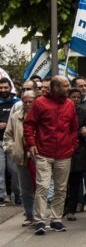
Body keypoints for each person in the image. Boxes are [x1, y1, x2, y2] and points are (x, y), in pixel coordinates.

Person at [23, 75, 79, 235]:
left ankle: (56, 219)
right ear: (55, 88)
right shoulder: (39, 103)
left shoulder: (69, 104)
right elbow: (29, 124)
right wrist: (32, 144)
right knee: (42, 186)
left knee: (61, 188)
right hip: (43, 152)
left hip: (64, 153)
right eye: (65, 85)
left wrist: (72, 144)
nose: (68, 88)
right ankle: (40, 220)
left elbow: (74, 127)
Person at [3, 90, 36, 226]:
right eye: (25, 101)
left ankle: (40, 215)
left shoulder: (42, 115)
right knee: (25, 189)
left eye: (30, 101)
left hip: (39, 157)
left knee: (41, 187)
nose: (28, 104)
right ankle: (29, 215)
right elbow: (8, 136)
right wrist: (13, 149)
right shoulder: (15, 117)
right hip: (22, 157)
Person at [63, 89, 86, 222]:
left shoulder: (84, 113)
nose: (76, 99)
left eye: (78, 97)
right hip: (63, 150)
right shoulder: (62, 111)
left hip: (78, 152)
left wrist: (84, 132)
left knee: (75, 181)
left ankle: (71, 209)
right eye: (73, 97)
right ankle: (62, 207)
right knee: (62, 182)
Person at [0, 77, 20, 206]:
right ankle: (2, 195)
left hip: (13, 141)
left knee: (14, 170)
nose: (3, 90)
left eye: (5, 87)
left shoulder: (17, 102)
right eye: (0, 88)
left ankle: (18, 195)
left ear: (10, 87)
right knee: (0, 170)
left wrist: (9, 125)